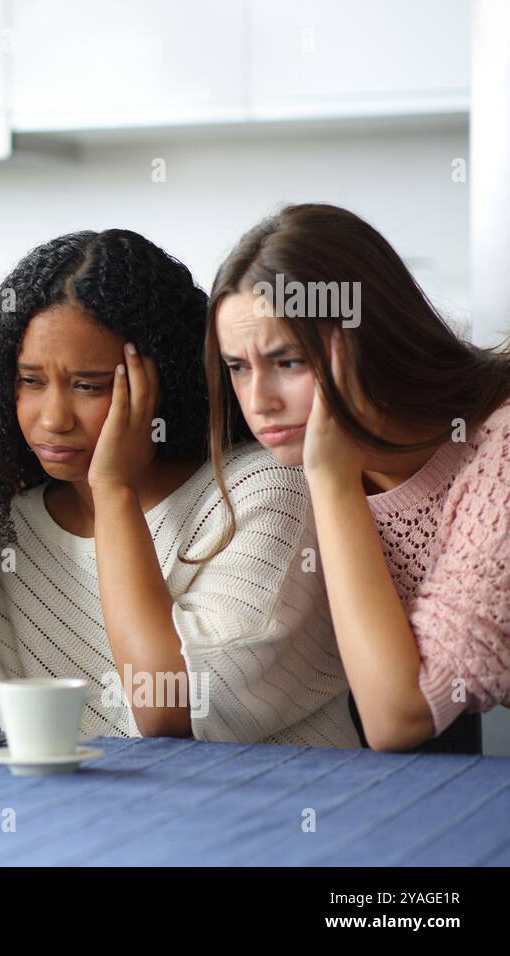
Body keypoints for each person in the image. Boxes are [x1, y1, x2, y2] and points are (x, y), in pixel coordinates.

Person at [0, 230, 359, 747]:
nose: (54, 419)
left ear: (163, 379)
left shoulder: (266, 493)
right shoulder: (14, 534)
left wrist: (112, 491)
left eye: (89, 385)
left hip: (290, 813)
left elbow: (168, 711)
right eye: (30, 381)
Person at [208, 202, 510, 752]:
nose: (259, 402)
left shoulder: (499, 450)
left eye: (290, 361)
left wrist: (330, 481)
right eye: (238, 367)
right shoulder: (305, 457)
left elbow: (399, 719)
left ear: (370, 340)